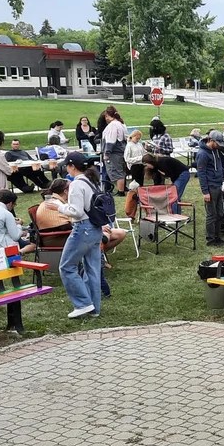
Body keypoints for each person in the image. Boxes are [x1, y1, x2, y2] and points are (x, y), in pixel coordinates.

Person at [49, 152, 103, 319]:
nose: (66, 168)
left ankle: (82, 304)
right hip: (95, 228)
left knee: (66, 266)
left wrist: (59, 206)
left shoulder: (76, 184)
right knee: (92, 269)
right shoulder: (91, 181)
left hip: (83, 228)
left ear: (72, 166)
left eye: (67, 165)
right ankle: (94, 308)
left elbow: (77, 212)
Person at [196, 131, 224, 247]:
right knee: (211, 214)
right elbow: (201, 173)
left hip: (218, 185)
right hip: (210, 187)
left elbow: (218, 166)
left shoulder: (216, 151)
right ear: (211, 140)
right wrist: (205, 192)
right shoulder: (202, 154)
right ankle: (210, 239)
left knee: (220, 213)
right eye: (217, 143)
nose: (219, 145)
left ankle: (218, 237)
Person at [101, 106, 129, 195]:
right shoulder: (121, 124)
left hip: (115, 152)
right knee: (121, 171)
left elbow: (110, 140)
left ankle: (120, 191)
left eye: (106, 116)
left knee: (117, 171)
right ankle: (122, 189)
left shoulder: (113, 125)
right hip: (121, 150)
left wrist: (107, 153)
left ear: (109, 116)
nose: (106, 118)